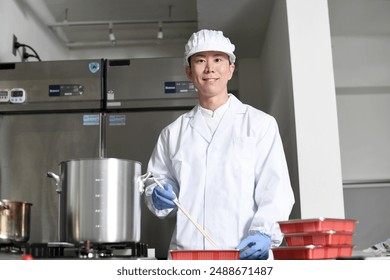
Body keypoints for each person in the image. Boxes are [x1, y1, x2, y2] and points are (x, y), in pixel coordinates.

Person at [144, 29, 294, 260]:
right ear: (188, 71)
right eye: (200, 60)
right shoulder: (173, 133)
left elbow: (276, 189)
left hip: (243, 254)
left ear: (230, 69)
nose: (209, 68)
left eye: (217, 59)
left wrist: (265, 233)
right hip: (188, 258)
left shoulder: (260, 124)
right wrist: (156, 194)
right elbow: (157, 181)